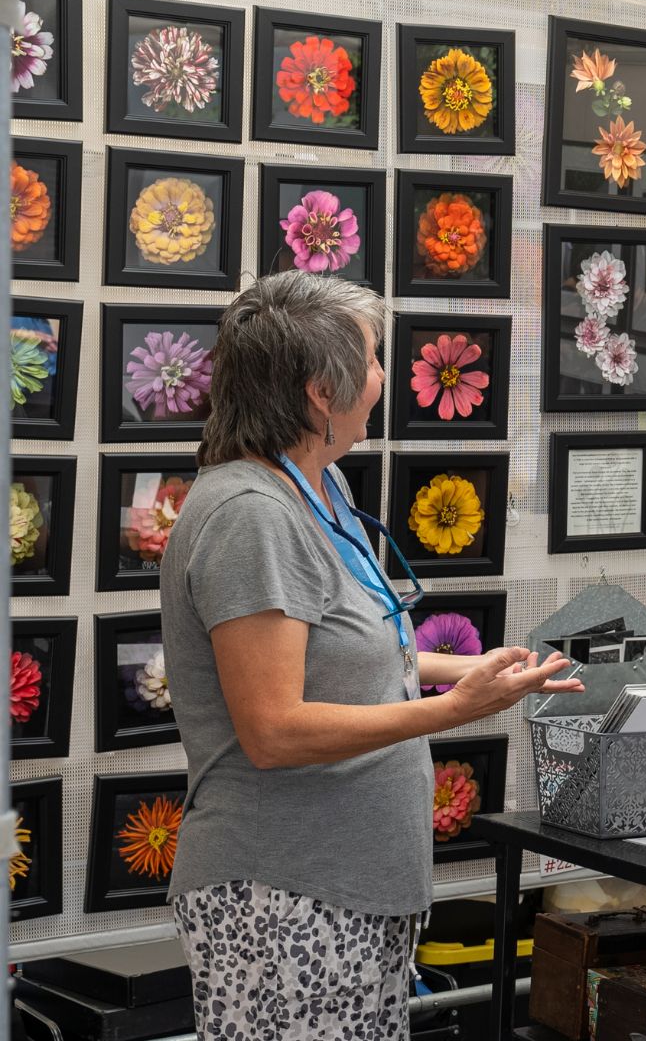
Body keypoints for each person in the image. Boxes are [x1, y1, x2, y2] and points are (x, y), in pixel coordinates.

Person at [160, 272, 579, 1040]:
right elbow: (273, 729)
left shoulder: (321, 488)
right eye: (377, 357)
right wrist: (454, 711)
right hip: (283, 892)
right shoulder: (250, 515)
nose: (384, 376)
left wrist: (481, 672)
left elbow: (353, 655)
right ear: (323, 390)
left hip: (352, 888)